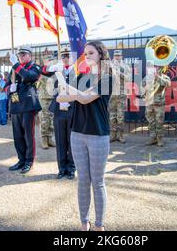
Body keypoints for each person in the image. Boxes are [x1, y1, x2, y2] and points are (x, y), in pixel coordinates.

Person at [56, 41, 112, 231]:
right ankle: (84, 222)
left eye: (91, 53)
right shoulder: (81, 77)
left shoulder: (107, 78)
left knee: (97, 182)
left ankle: (99, 225)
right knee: (82, 180)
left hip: (98, 134)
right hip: (77, 133)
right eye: (85, 53)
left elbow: (86, 98)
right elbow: (59, 98)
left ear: (100, 55)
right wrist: (72, 90)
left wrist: (66, 85)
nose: (86, 56)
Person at [6, 46, 42, 174]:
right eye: (19, 54)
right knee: (18, 136)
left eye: (23, 54)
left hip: (27, 105)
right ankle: (21, 159)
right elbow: (6, 84)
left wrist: (16, 64)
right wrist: (10, 88)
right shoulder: (14, 69)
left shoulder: (35, 67)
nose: (21, 56)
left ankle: (29, 161)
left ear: (30, 56)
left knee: (28, 135)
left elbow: (28, 77)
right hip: (16, 104)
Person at [44, 48, 76, 180]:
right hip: (59, 109)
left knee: (72, 140)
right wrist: (52, 68)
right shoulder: (57, 69)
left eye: (68, 56)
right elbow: (43, 71)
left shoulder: (78, 70)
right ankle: (62, 168)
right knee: (60, 140)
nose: (65, 58)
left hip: (73, 108)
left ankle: (71, 168)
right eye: (63, 56)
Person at [143, 64, 171, 147]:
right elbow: (143, 87)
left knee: (159, 122)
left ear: (161, 68)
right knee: (151, 122)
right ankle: (153, 138)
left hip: (159, 103)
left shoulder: (165, 77)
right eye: (154, 67)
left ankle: (160, 139)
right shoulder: (147, 77)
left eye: (157, 67)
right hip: (149, 103)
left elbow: (167, 84)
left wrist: (157, 77)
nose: (155, 69)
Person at [109, 49, 130, 143]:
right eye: (116, 56)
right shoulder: (109, 66)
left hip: (121, 94)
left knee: (120, 116)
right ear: (113, 56)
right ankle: (113, 135)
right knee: (112, 116)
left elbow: (128, 79)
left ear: (121, 56)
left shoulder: (126, 66)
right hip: (111, 94)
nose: (117, 57)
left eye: (119, 56)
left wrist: (119, 73)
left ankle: (120, 135)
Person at [37, 51, 56, 150]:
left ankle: (50, 138)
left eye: (51, 60)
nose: (50, 61)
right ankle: (44, 139)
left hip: (53, 97)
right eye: (48, 60)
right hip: (43, 98)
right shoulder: (39, 71)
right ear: (44, 61)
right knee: (44, 119)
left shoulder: (55, 71)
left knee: (52, 119)